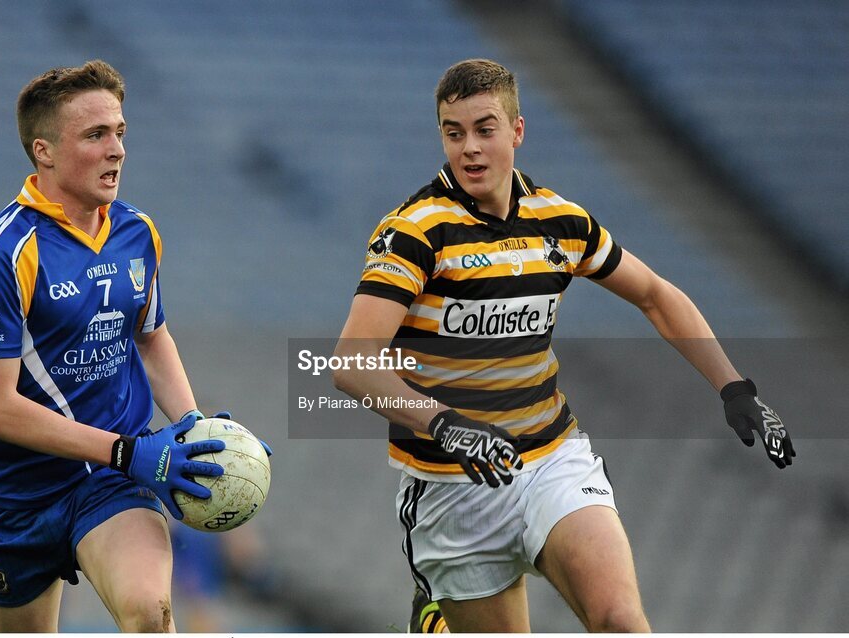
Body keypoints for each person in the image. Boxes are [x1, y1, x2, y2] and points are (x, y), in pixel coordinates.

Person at [333, 59, 794, 633]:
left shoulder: (561, 221)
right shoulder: (416, 231)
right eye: (454, 133)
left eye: (485, 128)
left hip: (552, 461)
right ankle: (435, 610)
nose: (469, 148)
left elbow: (655, 295)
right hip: (452, 488)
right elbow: (351, 363)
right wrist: (445, 423)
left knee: (622, 622)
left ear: (518, 131)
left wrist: (734, 387)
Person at [0, 60, 252, 632]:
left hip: (112, 481)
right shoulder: (0, 255)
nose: (117, 150)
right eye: (96, 135)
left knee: (150, 612)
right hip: (16, 496)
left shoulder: (138, 231)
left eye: (120, 133)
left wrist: (192, 424)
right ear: (44, 152)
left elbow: (151, 333)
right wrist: (124, 450)